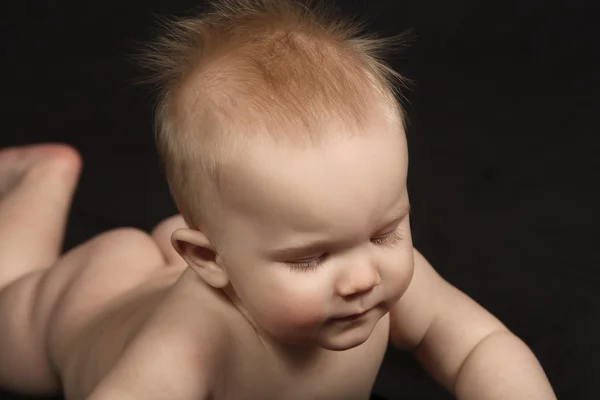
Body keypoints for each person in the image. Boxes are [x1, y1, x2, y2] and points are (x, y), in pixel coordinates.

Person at [0, 0, 556, 399]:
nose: (363, 276)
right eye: (311, 258)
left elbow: (480, 345)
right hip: (97, 299)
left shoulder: (376, 278)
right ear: (211, 260)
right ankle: (42, 176)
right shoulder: (193, 339)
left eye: (385, 232)